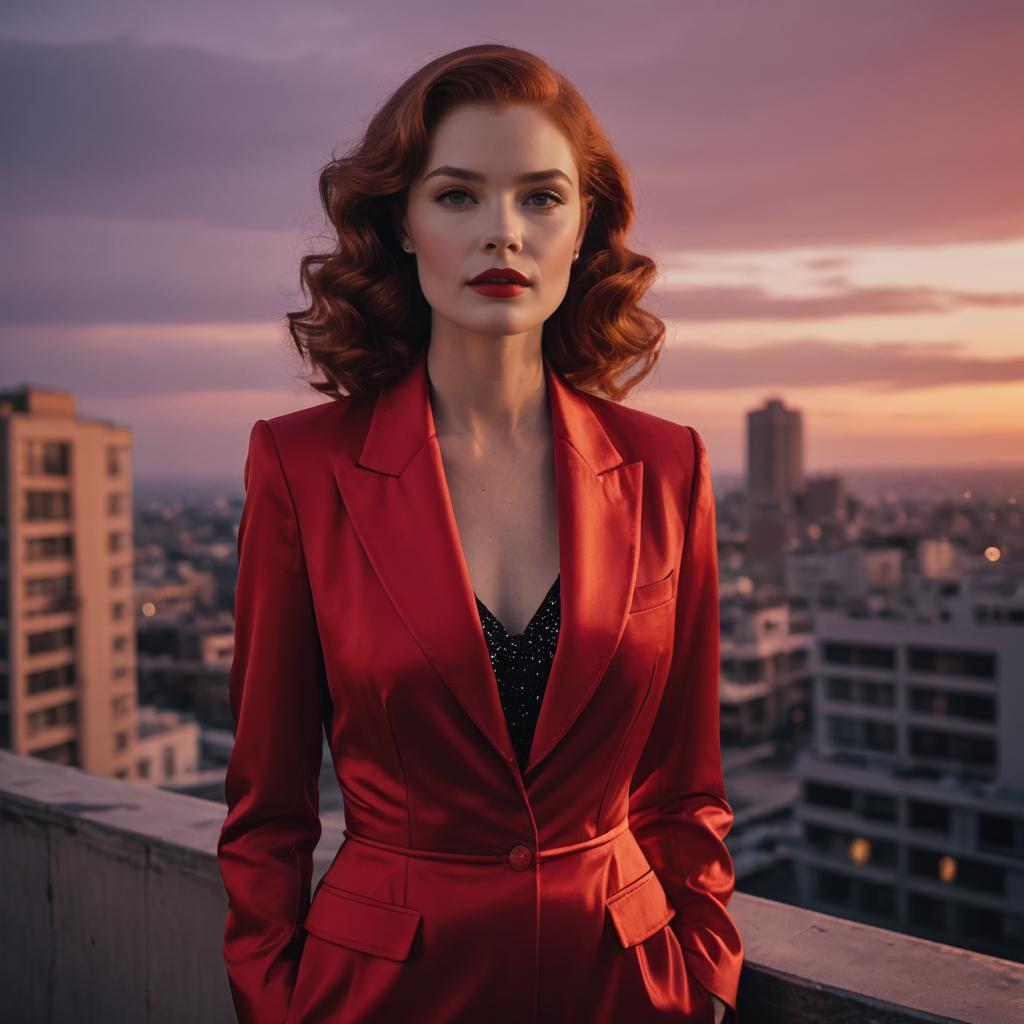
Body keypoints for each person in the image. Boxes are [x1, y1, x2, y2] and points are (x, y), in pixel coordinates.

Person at [216, 42, 744, 1024]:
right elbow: (268, 809)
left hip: (626, 995)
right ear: (401, 224)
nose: (502, 231)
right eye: (457, 195)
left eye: (540, 197)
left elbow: (685, 789)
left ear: (585, 229)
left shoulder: (670, 468)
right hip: (376, 997)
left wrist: (703, 975)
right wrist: (273, 1004)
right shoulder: (302, 468)